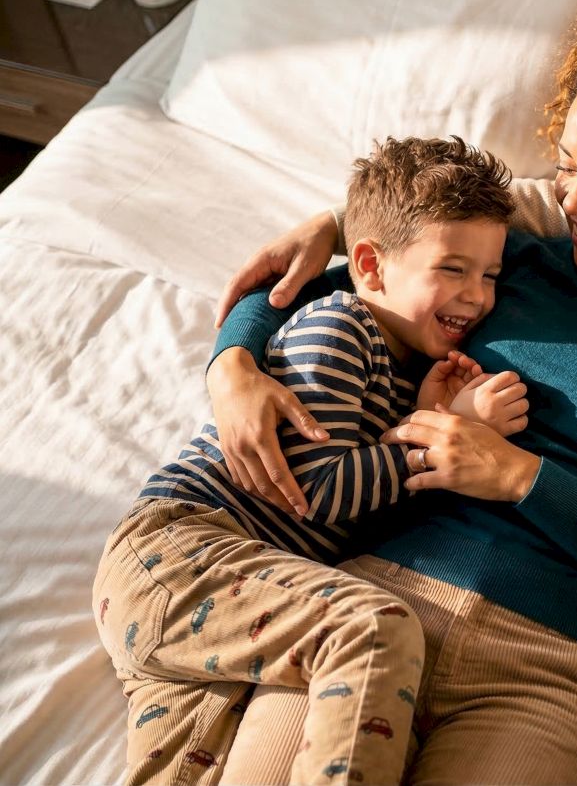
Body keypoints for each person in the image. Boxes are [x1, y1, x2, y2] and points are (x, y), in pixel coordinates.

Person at [206, 0, 577, 784]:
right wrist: (231, 362)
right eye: (566, 165)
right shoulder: (502, 263)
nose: (573, 200)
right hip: (364, 612)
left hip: (550, 672)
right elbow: (319, 286)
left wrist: (519, 476)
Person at [92, 135, 526, 786]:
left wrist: (419, 415)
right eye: (453, 268)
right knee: (375, 628)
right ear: (372, 267)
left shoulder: (397, 362)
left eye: (489, 275)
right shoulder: (341, 324)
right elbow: (318, 491)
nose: (477, 296)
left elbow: (355, 484)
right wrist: (448, 431)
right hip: (183, 551)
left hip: (214, 590)